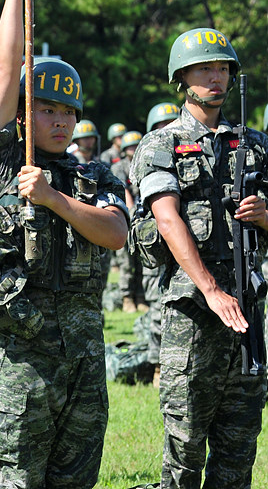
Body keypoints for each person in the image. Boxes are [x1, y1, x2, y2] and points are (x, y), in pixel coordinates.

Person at [0, 0, 128, 488]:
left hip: (83, 363)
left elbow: (115, 234)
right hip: (21, 366)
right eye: (46, 109)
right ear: (23, 115)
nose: (59, 122)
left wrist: (54, 200)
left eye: (67, 112)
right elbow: (7, 69)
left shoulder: (94, 176)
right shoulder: (0, 163)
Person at [130, 27, 268, 489]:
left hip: (249, 310)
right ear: (181, 77)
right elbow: (167, 220)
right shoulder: (160, 144)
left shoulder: (255, 144)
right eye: (204, 68)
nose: (216, 77)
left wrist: (265, 217)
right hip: (192, 313)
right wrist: (210, 289)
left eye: (223, 68)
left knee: (238, 447)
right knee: (185, 446)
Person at [139, 101, 180, 387]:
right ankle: (156, 364)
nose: (166, 130)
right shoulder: (153, 154)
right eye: (160, 127)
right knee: (156, 308)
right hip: (159, 249)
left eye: (170, 124)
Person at [111, 131, 147, 314]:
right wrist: (132, 211)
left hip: (144, 218)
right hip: (127, 217)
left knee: (143, 261)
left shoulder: (145, 162)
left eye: (136, 145)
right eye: (130, 146)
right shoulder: (120, 166)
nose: (134, 149)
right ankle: (126, 298)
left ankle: (140, 297)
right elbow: (122, 190)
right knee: (126, 262)